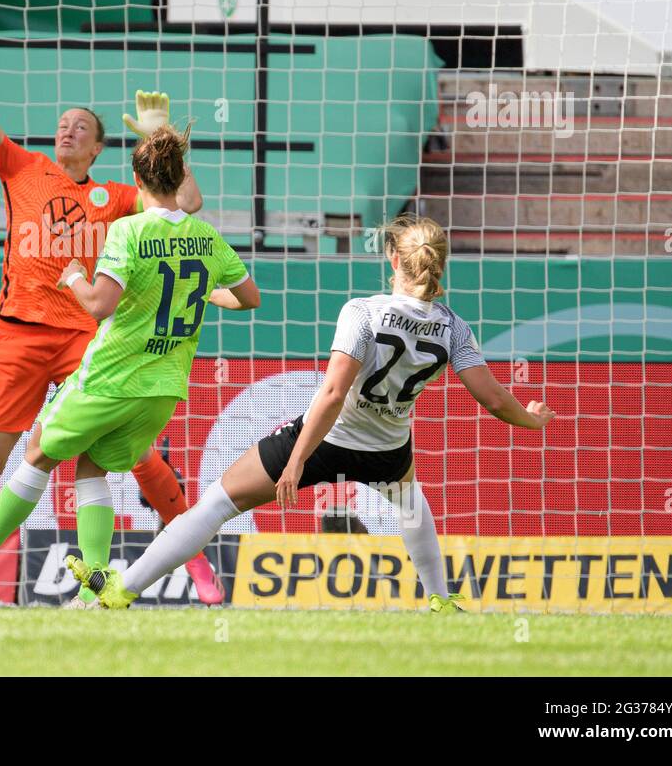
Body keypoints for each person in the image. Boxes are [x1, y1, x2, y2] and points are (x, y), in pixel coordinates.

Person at [69, 215, 556, 613]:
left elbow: (330, 395)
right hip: (388, 448)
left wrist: (299, 460)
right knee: (411, 504)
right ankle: (439, 598)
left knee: (216, 504)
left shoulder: (363, 312)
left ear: (393, 259)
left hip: (327, 438)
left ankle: (122, 589)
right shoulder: (453, 327)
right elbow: (492, 399)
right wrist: (532, 418)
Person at [0, 0, 225, 603]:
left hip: (86, 338)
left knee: (138, 455)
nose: (68, 130)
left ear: (100, 148)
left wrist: (162, 137)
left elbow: (189, 204)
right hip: (18, 333)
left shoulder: (119, 197)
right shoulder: (23, 169)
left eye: (83, 127)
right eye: (64, 124)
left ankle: (191, 555)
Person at [0, 125, 260, 604]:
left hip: (109, 372)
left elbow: (100, 305)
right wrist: (202, 290)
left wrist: (76, 276)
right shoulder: (205, 238)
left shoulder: (127, 226)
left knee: (38, 451)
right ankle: (93, 593)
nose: (66, 131)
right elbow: (250, 297)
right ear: (180, 174)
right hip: (163, 387)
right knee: (92, 468)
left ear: (134, 177)